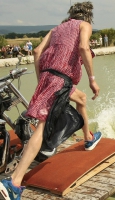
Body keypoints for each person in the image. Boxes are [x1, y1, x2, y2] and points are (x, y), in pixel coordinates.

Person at [0, 2, 101, 199]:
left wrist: (42, 82)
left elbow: (37, 52)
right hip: (59, 79)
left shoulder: (57, 29)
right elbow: (83, 48)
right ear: (88, 16)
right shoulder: (84, 25)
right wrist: (92, 79)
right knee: (41, 127)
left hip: (51, 77)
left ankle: (88, 138)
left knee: (80, 99)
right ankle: (13, 182)